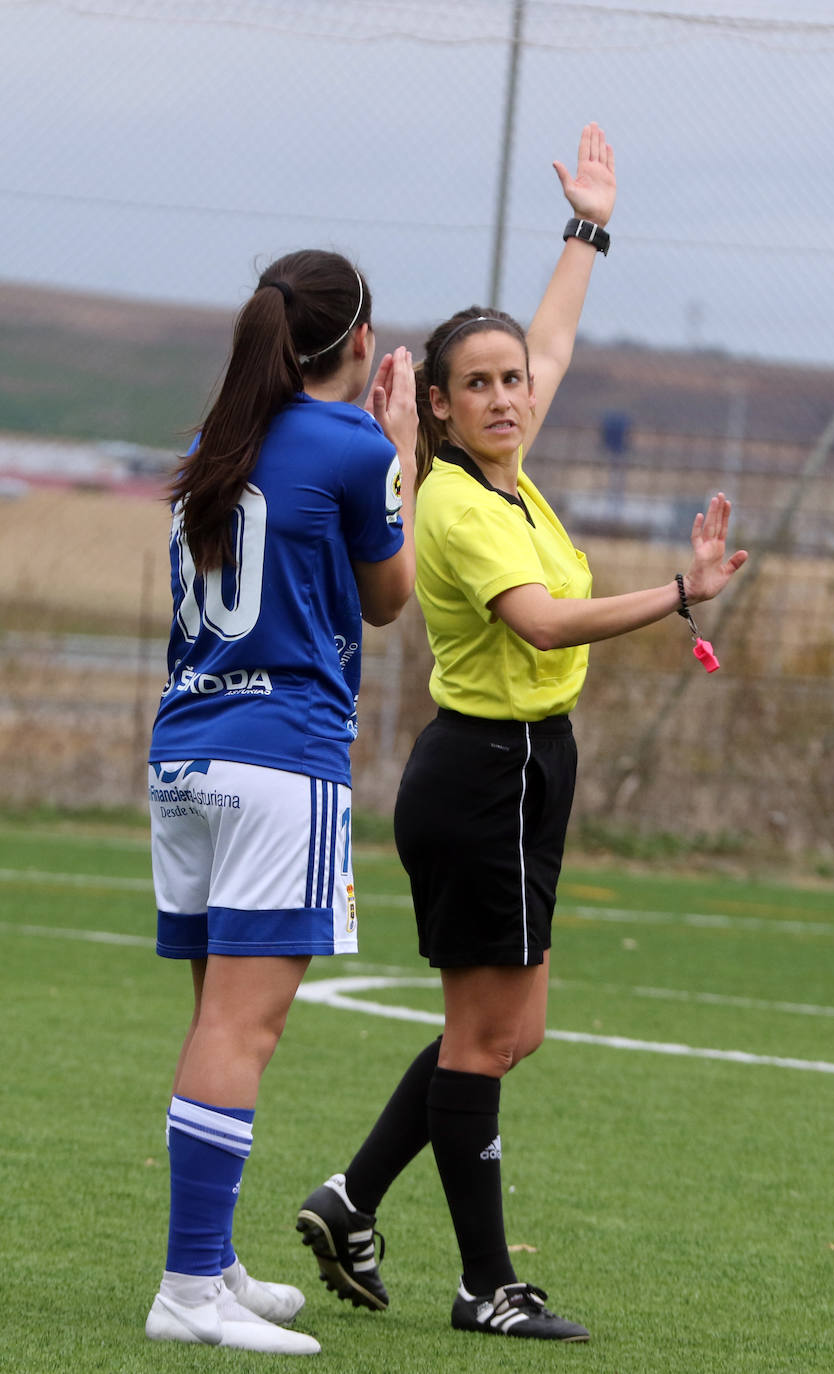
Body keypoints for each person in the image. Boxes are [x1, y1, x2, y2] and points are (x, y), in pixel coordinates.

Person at [295, 124, 747, 1343]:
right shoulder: (453, 501)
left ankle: (349, 1197)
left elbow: (547, 341)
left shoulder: (507, 470)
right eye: (478, 385)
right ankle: (484, 1285)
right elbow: (543, 626)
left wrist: (587, 226)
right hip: (482, 772)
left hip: (532, 769)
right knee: (489, 1039)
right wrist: (677, 595)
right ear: (433, 409)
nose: (507, 394)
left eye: (513, 383)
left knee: (504, 1031)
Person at [145, 248, 418, 1355]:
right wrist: (399, 448)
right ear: (359, 343)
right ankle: (185, 1290)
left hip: (187, 751)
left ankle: (207, 1262)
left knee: (216, 1015)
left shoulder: (222, 439)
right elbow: (390, 600)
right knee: (241, 1029)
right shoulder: (353, 442)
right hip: (279, 761)